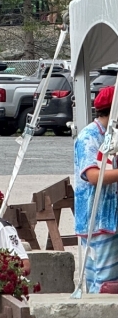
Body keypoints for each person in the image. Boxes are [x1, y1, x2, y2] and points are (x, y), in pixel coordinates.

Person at [74, 85, 118, 292]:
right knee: (104, 283)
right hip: (98, 219)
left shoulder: (113, 134)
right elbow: (93, 176)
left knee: (109, 280)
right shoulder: (89, 136)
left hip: (111, 220)